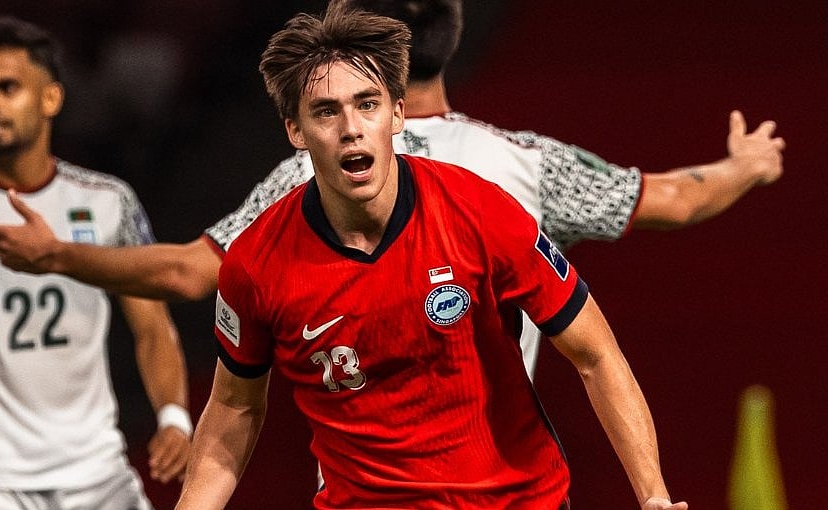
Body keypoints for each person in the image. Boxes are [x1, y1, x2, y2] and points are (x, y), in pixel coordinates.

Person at [0, 0, 784, 381]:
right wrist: (744, 169)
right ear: (451, 36)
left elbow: (194, 271)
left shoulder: (307, 169)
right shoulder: (524, 163)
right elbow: (677, 199)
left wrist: (61, 257)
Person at [176, 3, 687, 509]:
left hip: (517, 502)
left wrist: (653, 496)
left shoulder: (482, 212)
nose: (351, 128)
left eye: (367, 103)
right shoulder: (255, 264)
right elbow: (233, 406)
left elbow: (596, 355)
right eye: (326, 111)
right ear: (295, 130)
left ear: (397, 112)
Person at [0, 16, 192, 509]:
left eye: (7, 87)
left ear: (51, 98)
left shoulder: (110, 201)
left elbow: (152, 326)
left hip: (96, 471)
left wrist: (173, 415)